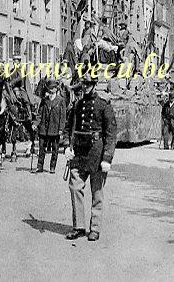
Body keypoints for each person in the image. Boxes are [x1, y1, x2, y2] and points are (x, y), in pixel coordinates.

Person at [63, 72, 117, 241]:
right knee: (75, 186)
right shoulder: (77, 105)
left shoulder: (103, 105)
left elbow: (111, 133)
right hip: (79, 152)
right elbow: (67, 126)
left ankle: (95, 228)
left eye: (88, 85)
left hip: (96, 152)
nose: (85, 88)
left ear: (94, 85)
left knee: (97, 191)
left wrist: (107, 158)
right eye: (83, 85)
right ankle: (79, 226)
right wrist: (66, 146)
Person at [34, 79, 66, 174]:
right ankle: (39, 166)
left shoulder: (61, 101)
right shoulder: (44, 101)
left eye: (53, 89)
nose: (51, 91)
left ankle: (52, 167)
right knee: (41, 148)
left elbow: (63, 117)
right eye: (49, 89)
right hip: (43, 128)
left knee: (55, 149)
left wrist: (61, 129)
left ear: (56, 89)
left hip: (55, 129)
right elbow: (39, 114)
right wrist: (35, 124)